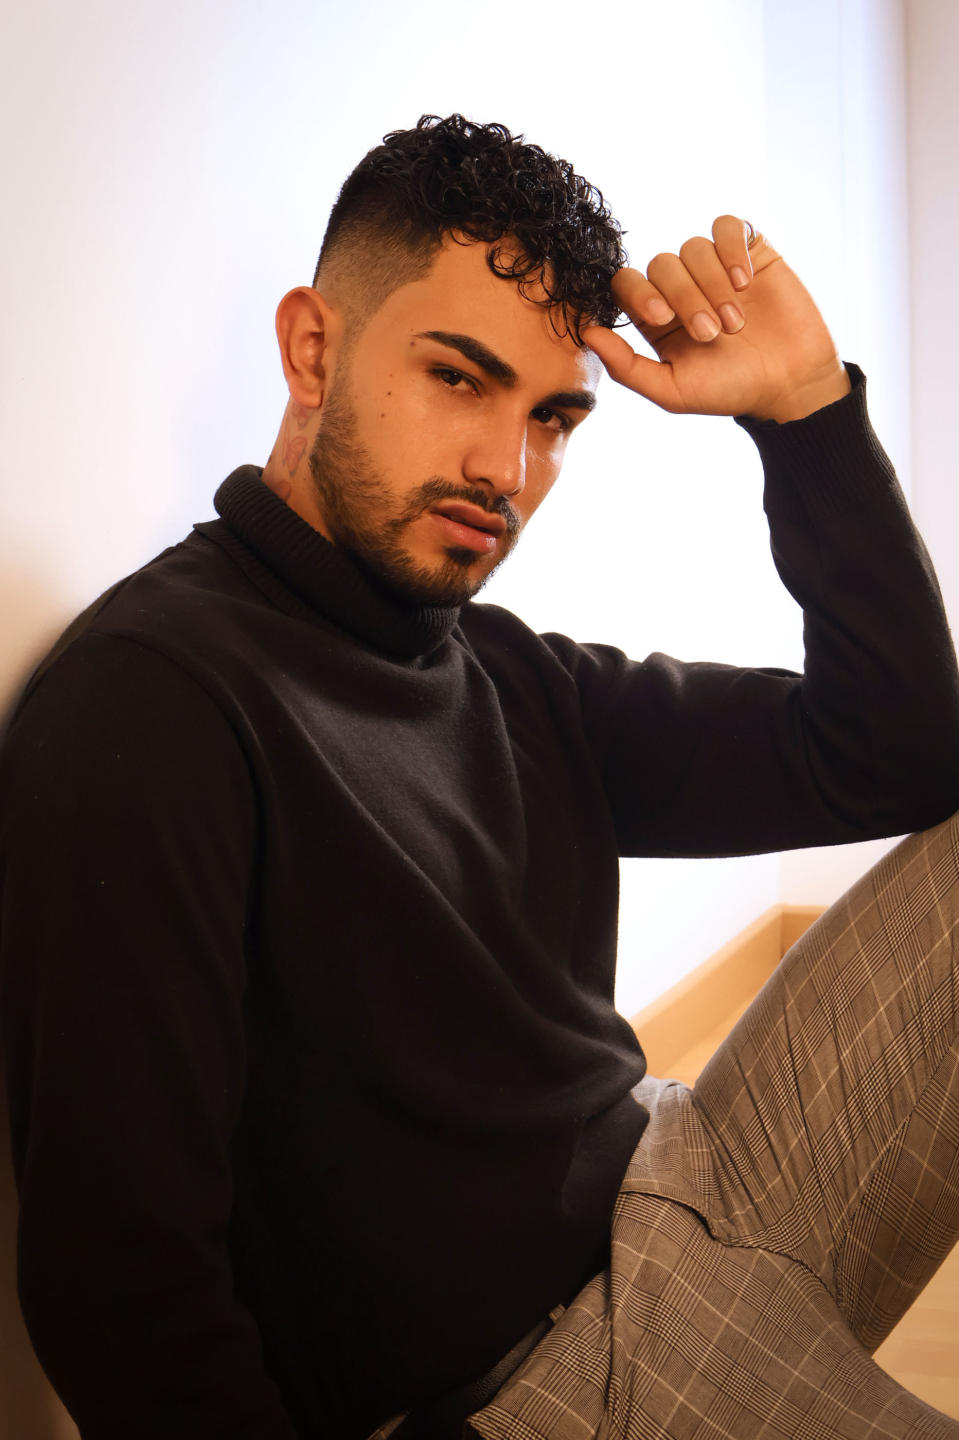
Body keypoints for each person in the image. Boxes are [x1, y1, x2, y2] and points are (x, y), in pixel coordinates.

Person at [1, 112, 957, 1440]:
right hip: (548, 1373)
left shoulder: (503, 670)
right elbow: (119, 1284)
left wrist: (804, 414)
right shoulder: (157, 698)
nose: (505, 471)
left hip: (684, 1182)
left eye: (552, 417)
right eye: (460, 378)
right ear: (313, 348)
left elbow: (899, 754)